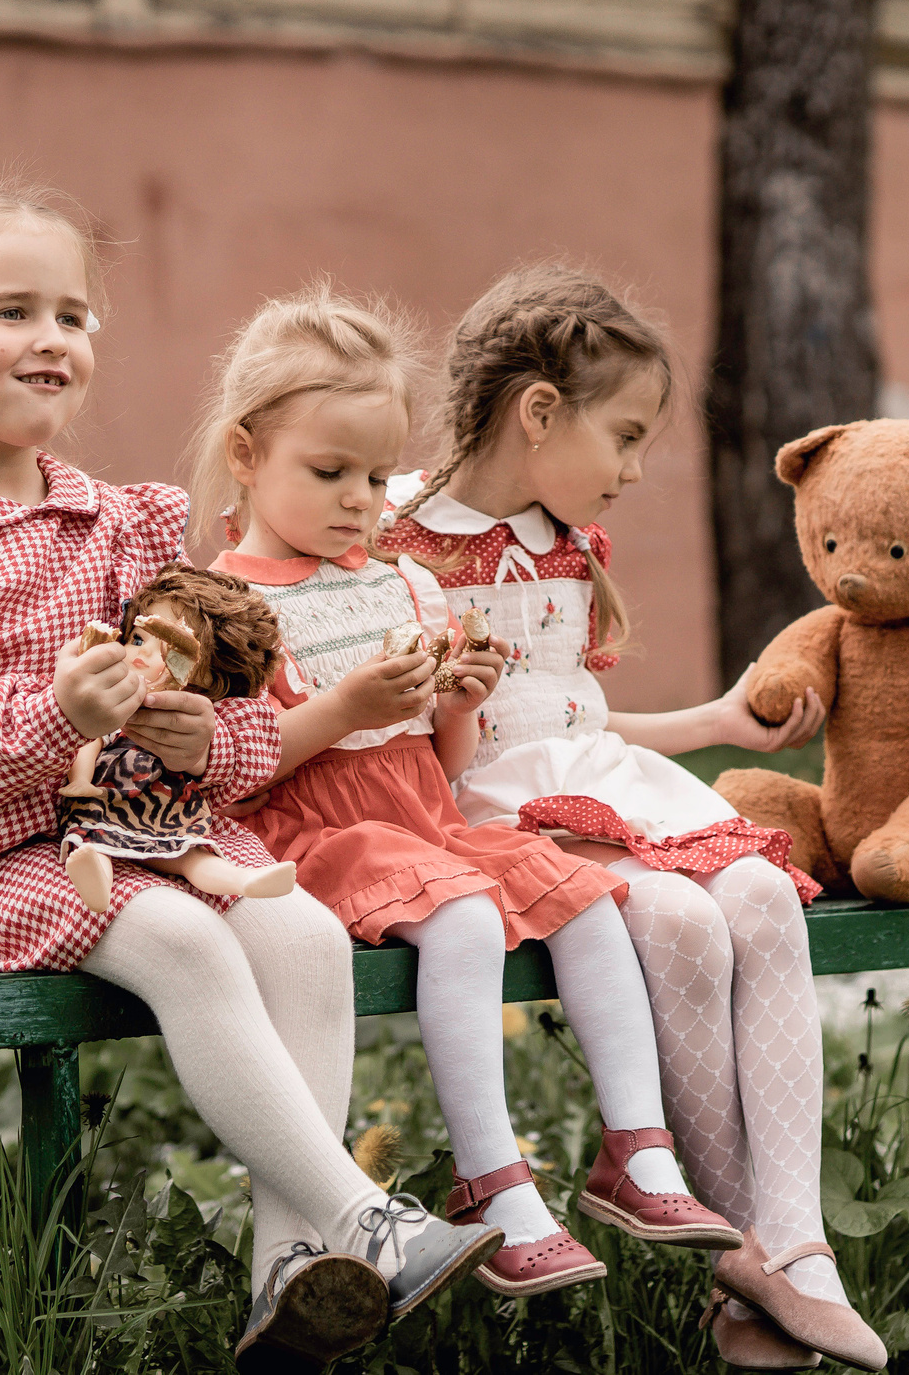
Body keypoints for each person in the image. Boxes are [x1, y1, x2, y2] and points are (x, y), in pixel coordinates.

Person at [0, 191, 489, 1375]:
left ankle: (286, 1282)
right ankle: (360, 1218)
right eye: (13, 311)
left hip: (143, 826)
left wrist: (205, 742)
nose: (54, 336)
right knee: (188, 947)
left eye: (74, 314)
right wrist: (58, 714)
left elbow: (239, 716)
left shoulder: (133, 523)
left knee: (296, 929)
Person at [378, 263, 888, 1371]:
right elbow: (459, 744)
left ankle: (796, 1245)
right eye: (625, 435)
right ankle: (756, 1258)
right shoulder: (393, 542)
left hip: (593, 791)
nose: (635, 468)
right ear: (539, 411)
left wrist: (713, 721)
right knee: (684, 921)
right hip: (488, 820)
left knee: (756, 890)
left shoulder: (564, 544)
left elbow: (571, 725)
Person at [195, 284, 739, 1300]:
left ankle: (637, 1149)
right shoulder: (227, 605)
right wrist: (348, 706)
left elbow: (439, 768)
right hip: (317, 834)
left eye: (369, 474)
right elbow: (241, 765)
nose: (360, 499)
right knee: (464, 920)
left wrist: (457, 701)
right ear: (245, 455)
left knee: (582, 896)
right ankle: (491, 1180)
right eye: (328, 472)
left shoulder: (401, 583)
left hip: (420, 818)